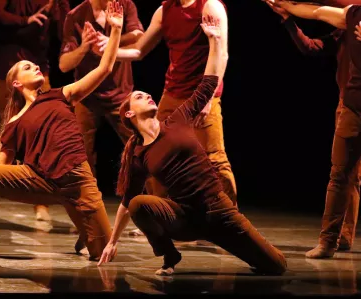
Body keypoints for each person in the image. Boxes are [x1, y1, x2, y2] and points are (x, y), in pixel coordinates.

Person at [97, 15, 287, 276]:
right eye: (139, 97)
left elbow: (207, 84)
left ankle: (231, 241)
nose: (148, 95)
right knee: (139, 203)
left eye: (146, 93)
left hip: (218, 209)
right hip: (184, 217)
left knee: (276, 266)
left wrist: (214, 41)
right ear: (129, 114)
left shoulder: (176, 120)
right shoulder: (140, 153)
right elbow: (127, 202)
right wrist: (112, 241)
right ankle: (169, 254)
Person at [0, 1, 124, 260]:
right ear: (17, 83)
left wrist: (116, 31)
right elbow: (0, 168)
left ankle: (86, 233)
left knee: (101, 253)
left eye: (36, 65)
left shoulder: (62, 94)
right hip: (39, 180)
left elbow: (105, 68)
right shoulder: (14, 122)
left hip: (78, 180)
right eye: (27, 67)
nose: (35, 67)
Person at [267, 0, 361, 259]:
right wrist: (285, 8)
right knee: (340, 176)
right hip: (354, 108)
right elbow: (317, 12)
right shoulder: (351, 14)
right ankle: (328, 242)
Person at [100, 0, 236, 206]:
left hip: (202, 93)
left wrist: (208, 97)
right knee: (155, 151)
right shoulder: (164, 11)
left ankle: (229, 218)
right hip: (173, 92)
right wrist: (106, 49)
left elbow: (221, 53)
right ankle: (159, 212)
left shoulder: (210, 6)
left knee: (214, 159)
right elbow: (138, 50)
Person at [0, 0, 70, 223]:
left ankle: (41, 203)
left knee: (44, 139)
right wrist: (25, 20)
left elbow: (63, 33)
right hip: (8, 73)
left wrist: (57, 9)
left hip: (40, 71)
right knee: (2, 137)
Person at [59, 0, 143, 177]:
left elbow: (139, 36)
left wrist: (113, 39)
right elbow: (64, 65)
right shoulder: (75, 16)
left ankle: (153, 198)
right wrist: (84, 47)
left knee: (141, 148)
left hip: (120, 94)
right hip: (87, 97)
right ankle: (86, 201)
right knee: (80, 155)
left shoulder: (125, 5)